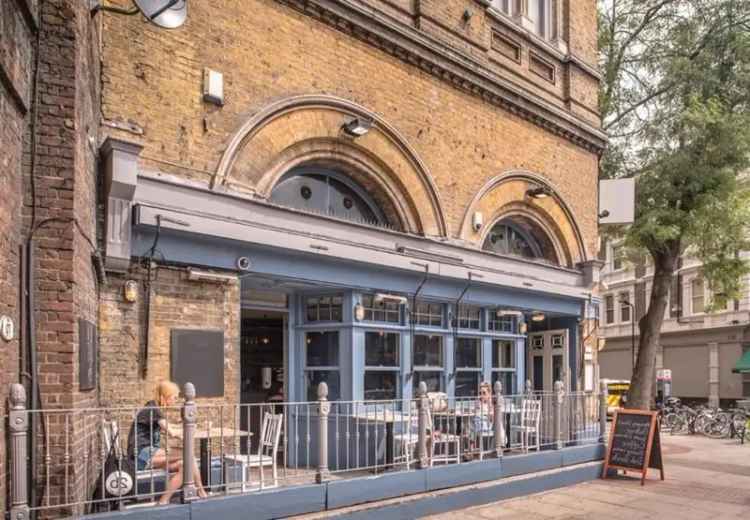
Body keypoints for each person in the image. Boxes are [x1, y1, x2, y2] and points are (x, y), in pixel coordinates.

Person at [127, 380, 208, 504]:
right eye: (174, 397)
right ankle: (200, 491)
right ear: (165, 396)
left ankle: (164, 500)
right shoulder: (152, 409)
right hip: (141, 454)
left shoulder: (154, 408)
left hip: (149, 453)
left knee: (185, 465)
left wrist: (189, 426)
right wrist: (185, 430)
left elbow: (170, 426)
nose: (175, 401)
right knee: (188, 455)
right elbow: (171, 432)